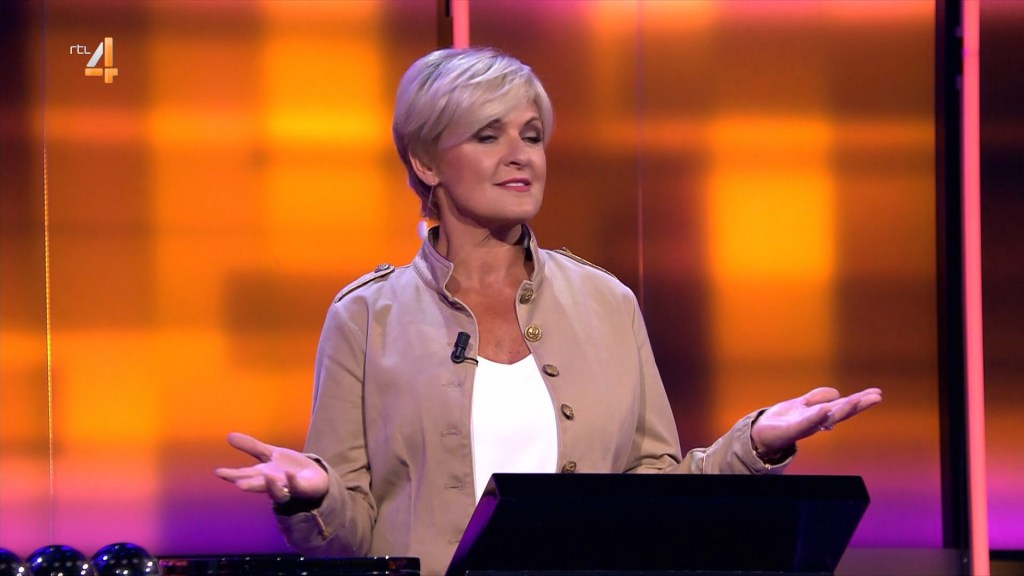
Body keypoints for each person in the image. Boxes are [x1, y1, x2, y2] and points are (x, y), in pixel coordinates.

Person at [215, 47, 882, 576]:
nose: (521, 156)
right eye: (488, 136)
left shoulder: (607, 303)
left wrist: (756, 442)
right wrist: (315, 494)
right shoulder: (367, 316)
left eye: (531, 136)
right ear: (425, 161)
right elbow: (350, 537)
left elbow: (653, 493)